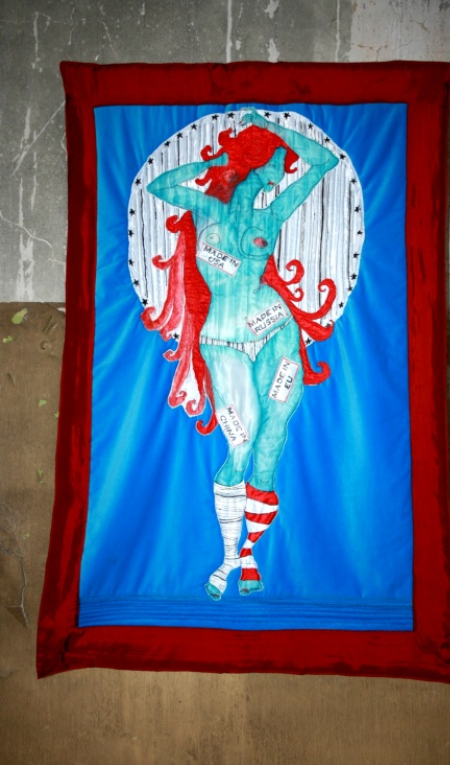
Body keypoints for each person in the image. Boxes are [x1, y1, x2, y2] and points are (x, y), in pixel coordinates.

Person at [145, 107, 339, 600]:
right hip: (223, 342)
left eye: (276, 164)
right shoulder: (205, 209)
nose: (273, 172)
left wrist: (274, 129)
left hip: (276, 330)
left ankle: (247, 552)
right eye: (266, 162)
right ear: (242, 166)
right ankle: (230, 554)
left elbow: (324, 163)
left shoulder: (272, 214)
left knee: (271, 438)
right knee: (241, 440)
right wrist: (207, 168)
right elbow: (159, 186)